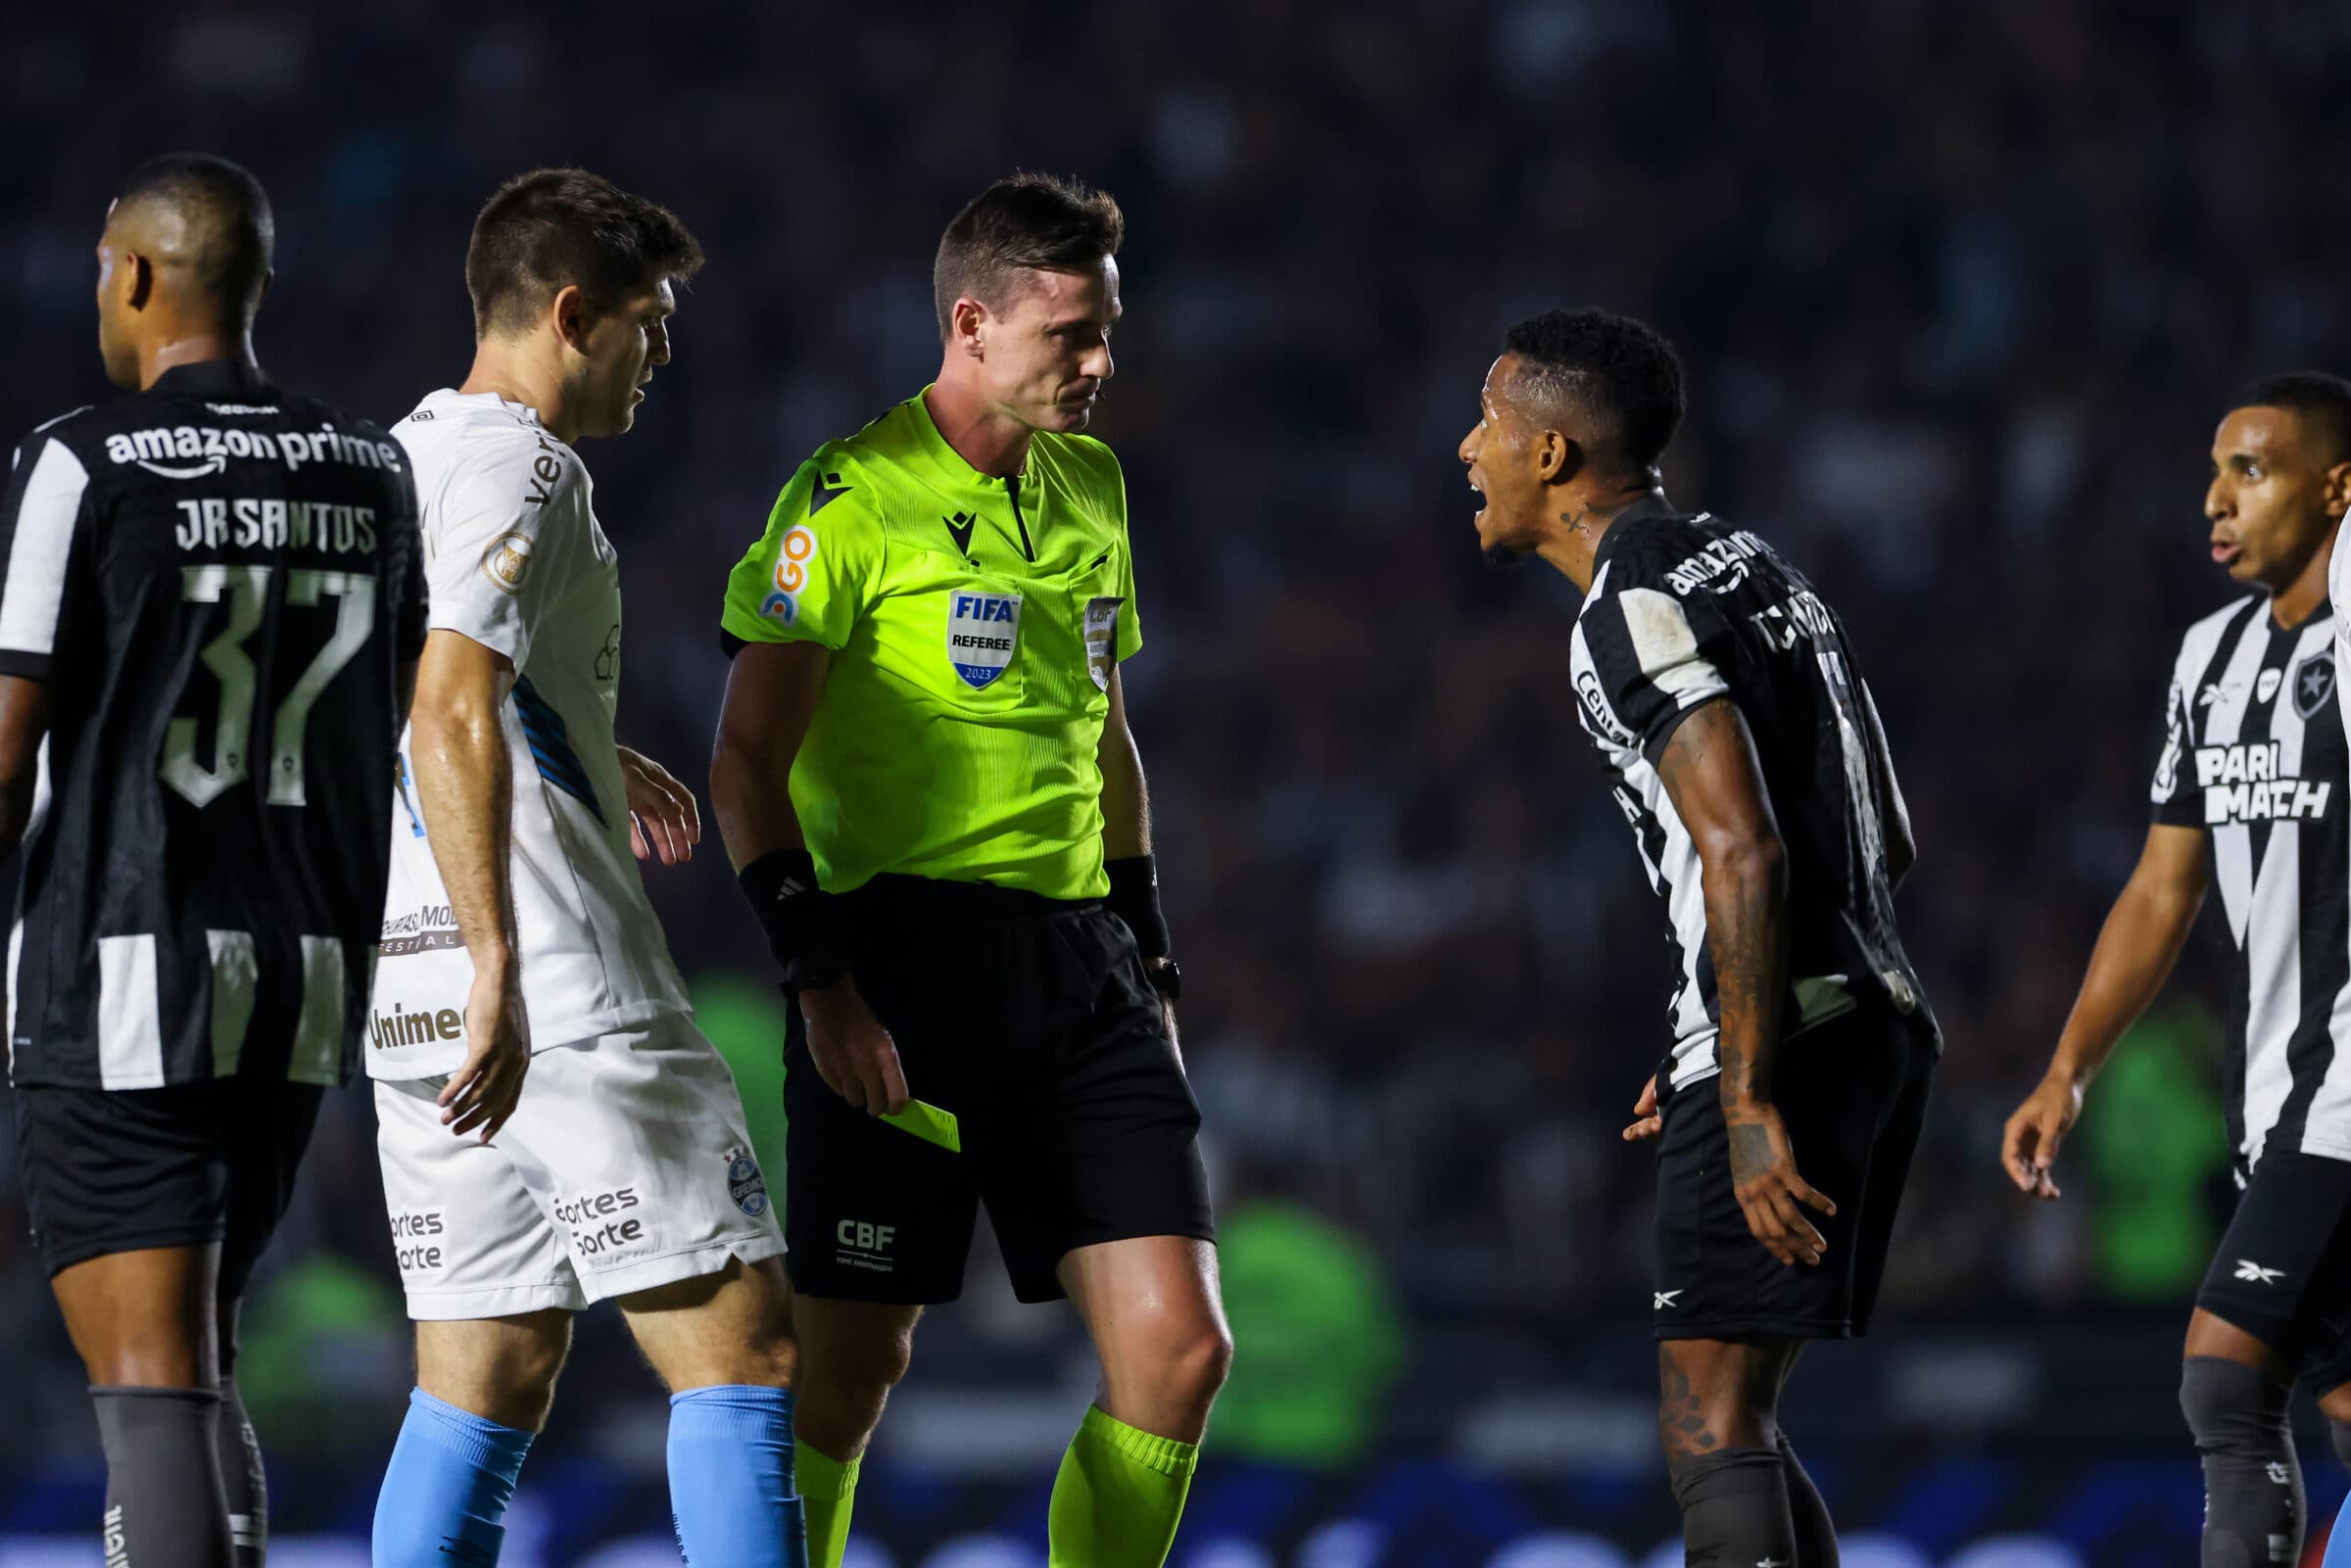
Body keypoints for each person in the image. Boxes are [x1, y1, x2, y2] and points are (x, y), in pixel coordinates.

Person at [709, 171, 1229, 1568]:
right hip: (894, 971)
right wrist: (820, 983)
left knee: (1178, 1353)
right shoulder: (849, 496)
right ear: (971, 323)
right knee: (849, 1375)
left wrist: (1151, 945)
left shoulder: (1098, 486)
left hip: (1082, 967)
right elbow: (746, 763)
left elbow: (1104, 725)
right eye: (1070, 333)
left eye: (1106, 330)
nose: (1100, 362)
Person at [365, 168, 801, 1568]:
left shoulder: (394, 464)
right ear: (571, 314)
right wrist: (503, 962)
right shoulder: (522, 466)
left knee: (479, 1379)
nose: (662, 354)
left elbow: (418, 709)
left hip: (409, 1001)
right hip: (552, 991)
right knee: (744, 1355)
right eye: (648, 323)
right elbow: (446, 702)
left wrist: (595, 755)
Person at [0, 153, 426, 1568]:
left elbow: (7, 753)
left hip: (118, 973)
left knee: (147, 1393)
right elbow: (422, 720)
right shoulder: (372, 471)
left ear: (135, 277)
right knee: (196, 1362)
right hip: (300, 984)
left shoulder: (86, 463)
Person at [1460, 308, 1937, 1566]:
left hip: (1796, 1037)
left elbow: (1746, 847)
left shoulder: (1626, 605)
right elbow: (1884, 828)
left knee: (1705, 1418)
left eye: (1490, 424)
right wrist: (1710, 1012)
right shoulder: (1751, 558)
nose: (1468, 449)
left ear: (1551, 453)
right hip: (1869, 1011)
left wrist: (1741, 1082)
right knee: (1745, 1418)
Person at [2004, 372, 2351, 1567]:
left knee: (2225, 1364)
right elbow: (2163, 890)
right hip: (2274, 1088)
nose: (2216, 496)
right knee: (2349, 1404)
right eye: (2213, 469)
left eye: (2251, 469)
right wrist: (2069, 1070)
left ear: (2339, 490)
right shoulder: (2208, 658)